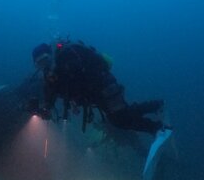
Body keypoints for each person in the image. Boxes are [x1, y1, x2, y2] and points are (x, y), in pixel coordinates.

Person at [31, 40, 166, 134]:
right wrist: (46, 108)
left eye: (45, 59)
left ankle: (157, 126)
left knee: (120, 118)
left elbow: (79, 78)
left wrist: (65, 83)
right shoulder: (51, 76)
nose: (44, 65)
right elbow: (51, 93)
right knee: (120, 118)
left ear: (51, 56)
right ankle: (156, 112)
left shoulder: (66, 58)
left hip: (104, 86)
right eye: (40, 63)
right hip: (94, 95)